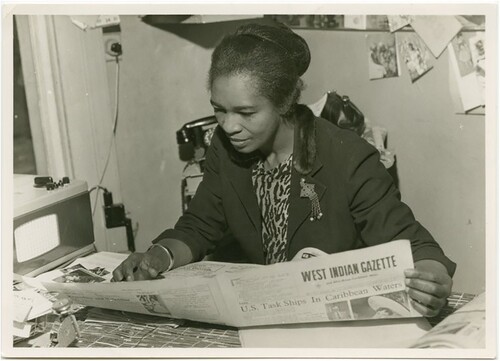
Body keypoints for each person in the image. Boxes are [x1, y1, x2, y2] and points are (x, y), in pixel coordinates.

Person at [112, 23, 455, 317]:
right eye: (219, 109)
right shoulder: (224, 147)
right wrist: (161, 255)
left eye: (246, 112)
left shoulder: (348, 156)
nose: (229, 125)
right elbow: (201, 224)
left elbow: (413, 244)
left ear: (284, 103)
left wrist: (431, 276)